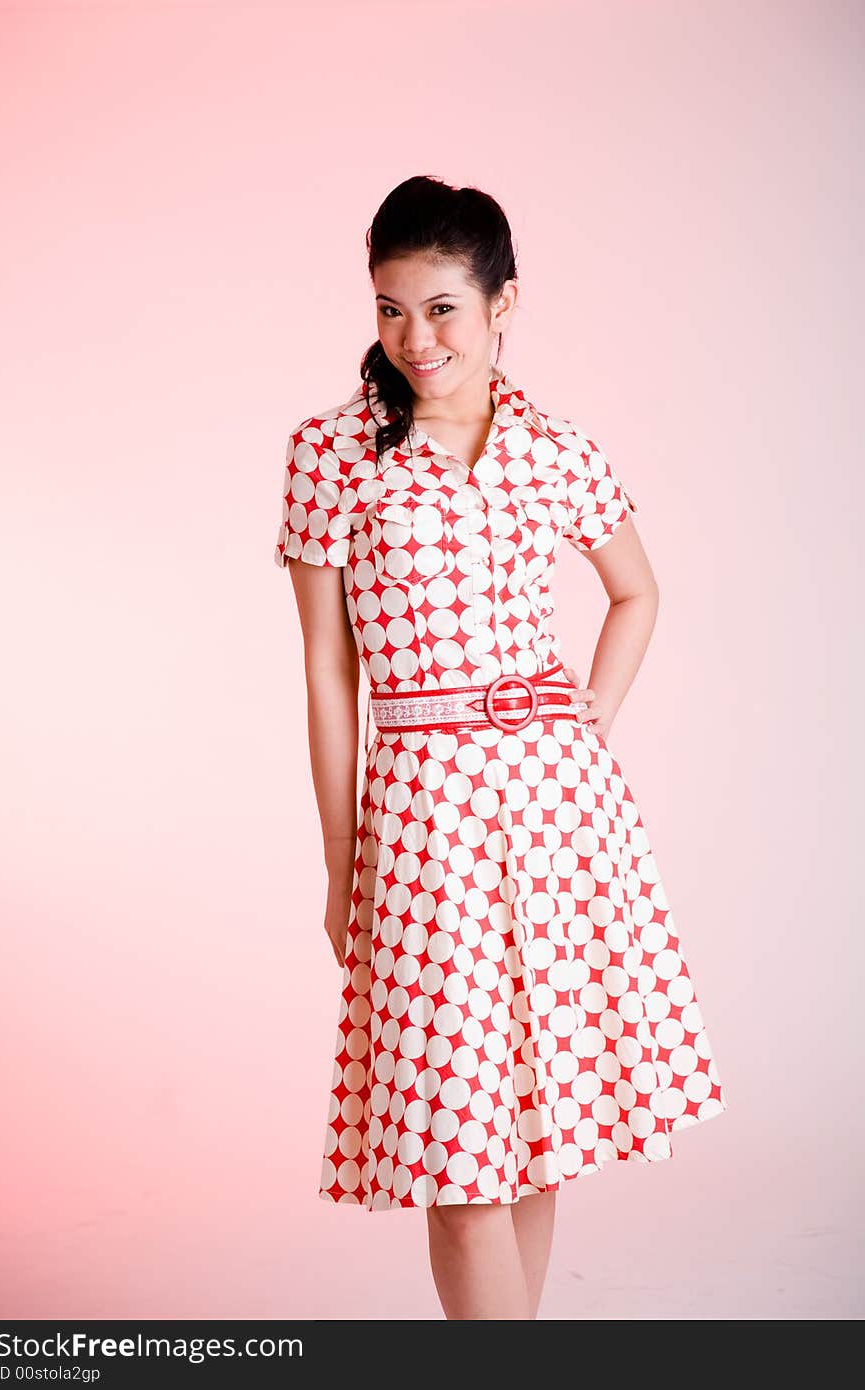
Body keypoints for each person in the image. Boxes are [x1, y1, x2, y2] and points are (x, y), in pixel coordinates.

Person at [273, 174, 727, 1320]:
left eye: (440, 309)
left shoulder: (555, 449)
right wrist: (343, 855)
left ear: (501, 303)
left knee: (534, 1130)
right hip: (422, 814)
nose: (412, 338)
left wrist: (578, 730)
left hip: (561, 813)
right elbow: (331, 670)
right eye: (388, 308)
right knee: (456, 1144)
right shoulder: (332, 455)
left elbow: (636, 594)